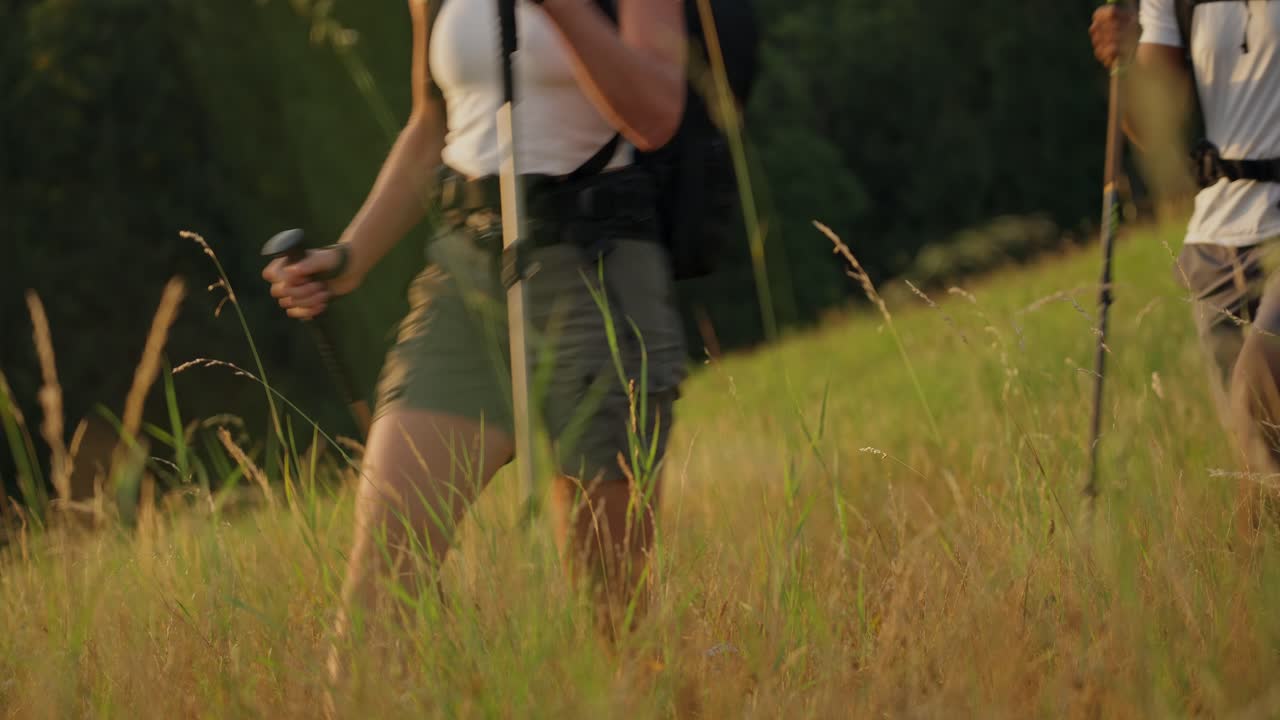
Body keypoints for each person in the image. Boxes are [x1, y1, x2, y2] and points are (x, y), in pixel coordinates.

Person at [262, 0, 690, 678]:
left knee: (617, 621)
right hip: (466, 273)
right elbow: (431, 123)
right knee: (378, 593)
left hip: (597, 271)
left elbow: (657, 113)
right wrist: (350, 256)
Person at [1090, 0, 1280, 531]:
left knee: (1257, 391)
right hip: (1216, 242)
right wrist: (1126, 63)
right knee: (1259, 464)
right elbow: (1157, 126)